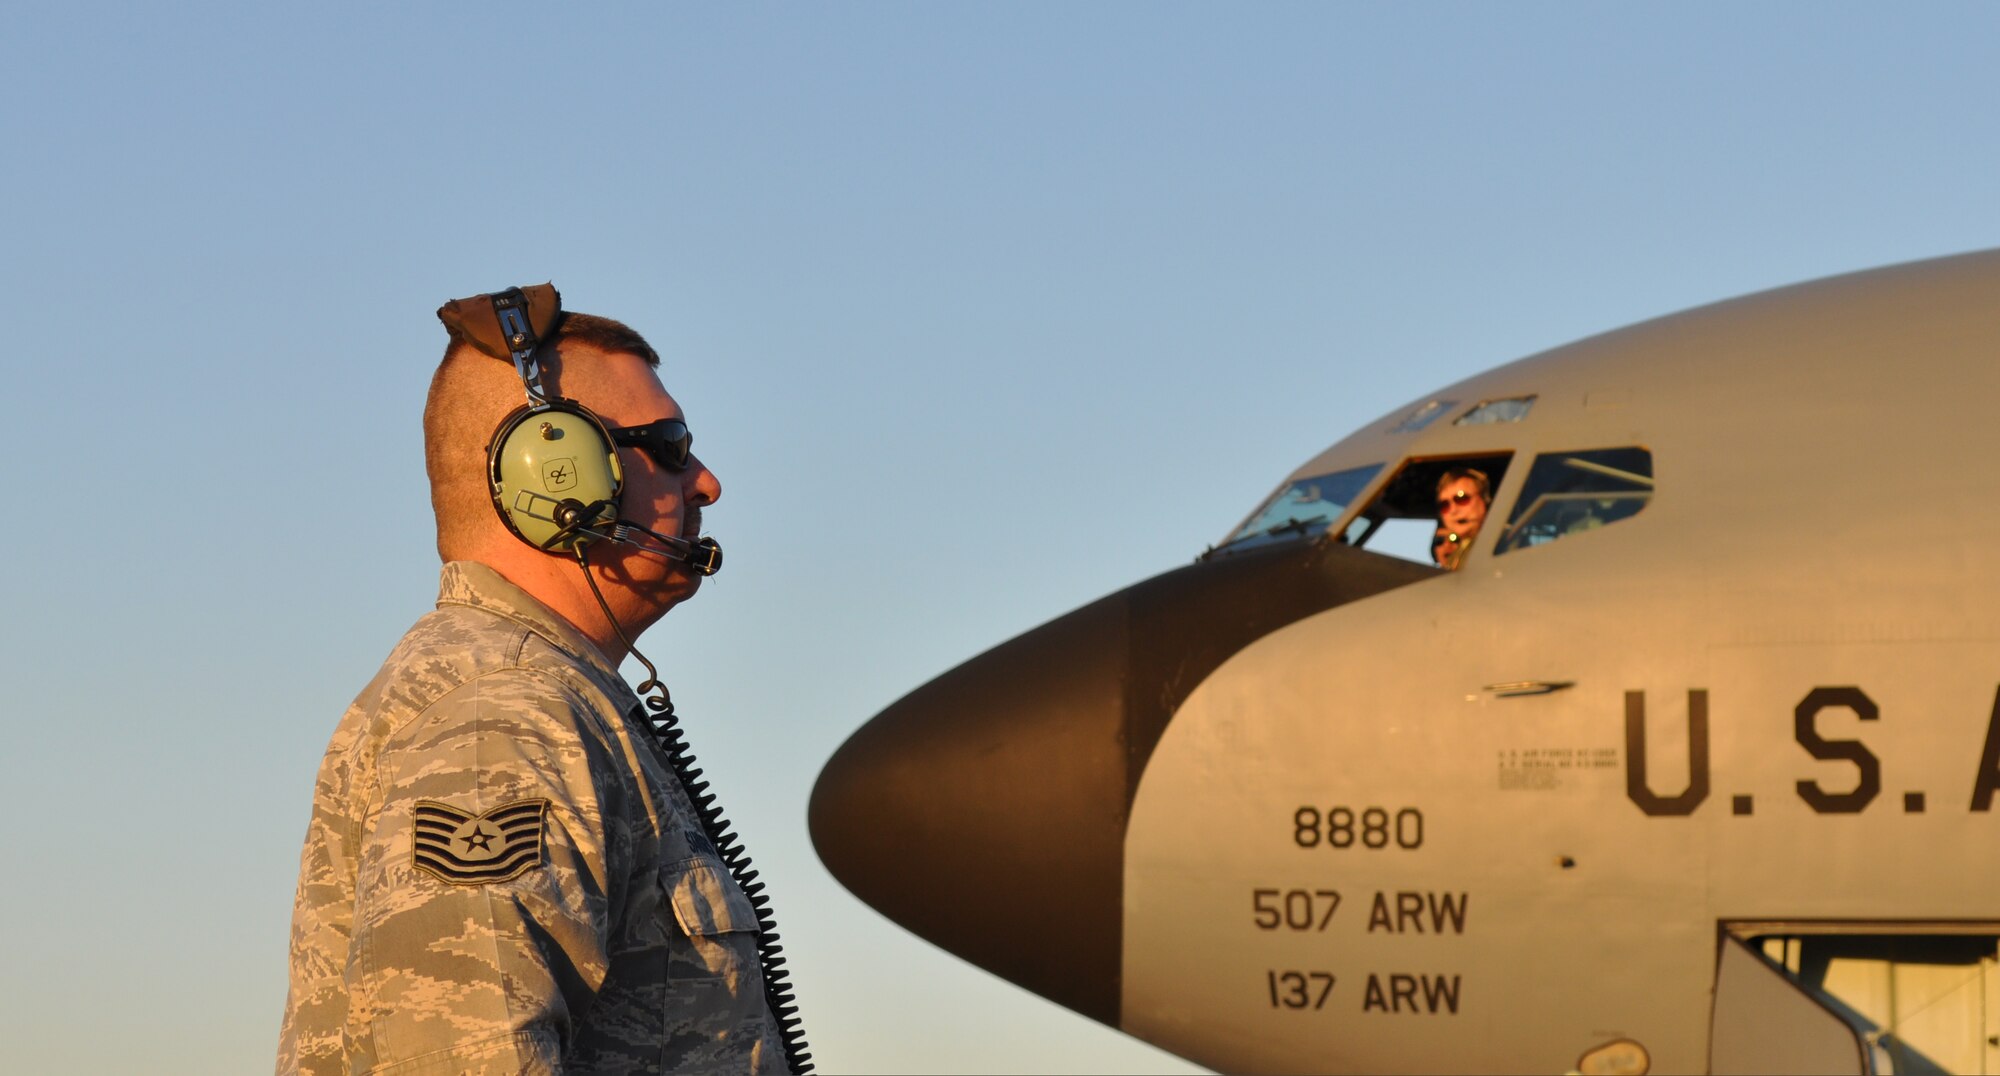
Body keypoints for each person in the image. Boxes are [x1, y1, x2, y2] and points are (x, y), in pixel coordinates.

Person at [278, 287, 808, 1075]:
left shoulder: (549, 699)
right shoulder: (504, 718)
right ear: (560, 476)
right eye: (669, 444)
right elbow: (463, 1054)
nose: (705, 482)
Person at [1434, 466, 1491, 570]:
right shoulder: (1452, 560)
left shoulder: (1504, 544)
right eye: (1444, 505)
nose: (1453, 510)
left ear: (1485, 500)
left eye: (1462, 499)